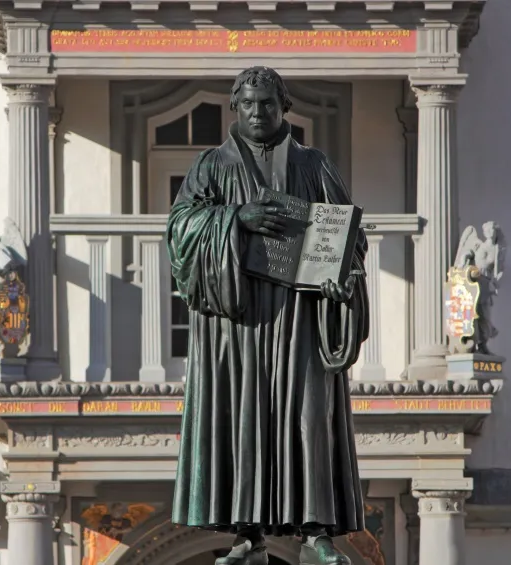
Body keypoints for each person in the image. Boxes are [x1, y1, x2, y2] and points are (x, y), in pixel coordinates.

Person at [168, 67, 369, 565]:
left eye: (268, 104)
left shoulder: (314, 164)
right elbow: (179, 233)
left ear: (284, 107)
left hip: (299, 316)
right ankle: (247, 534)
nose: (259, 113)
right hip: (236, 323)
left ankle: (317, 531)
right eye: (250, 104)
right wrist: (235, 218)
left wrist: (340, 280)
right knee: (242, 419)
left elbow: (349, 238)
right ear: (235, 107)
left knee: (308, 418)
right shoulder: (211, 166)